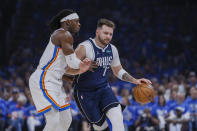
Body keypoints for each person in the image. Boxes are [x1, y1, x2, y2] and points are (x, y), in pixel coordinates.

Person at [66, 18, 152, 131]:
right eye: (105, 33)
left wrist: (135, 80)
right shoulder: (85, 47)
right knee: (100, 126)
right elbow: (66, 69)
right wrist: (80, 69)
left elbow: (118, 71)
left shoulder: (112, 49)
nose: (108, 36)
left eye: (110, 34)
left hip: (103, 88)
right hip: (85, 92)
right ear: (97, 32)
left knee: (117, 116)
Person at [29, 9, 91, 131]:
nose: (79, 24)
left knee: (66, 120)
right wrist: (83, 65)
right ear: (68, 22)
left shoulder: (63, 36)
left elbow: (65, 70)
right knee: (53, 120)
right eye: (76, 21)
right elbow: (73, 62)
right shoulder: (63, 34)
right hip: (43, 80)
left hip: (55, 80)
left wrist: (77, 74)